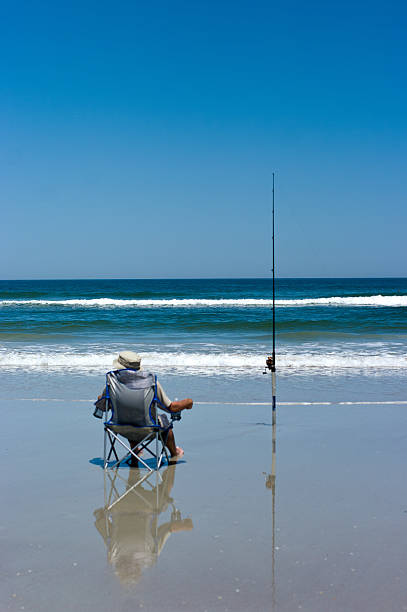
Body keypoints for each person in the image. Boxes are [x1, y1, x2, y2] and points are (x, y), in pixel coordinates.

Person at [98, 350, 193, 465]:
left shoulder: (111, 382)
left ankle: (135, 454)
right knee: (165, 423)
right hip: (148, 430)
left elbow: (102, 404)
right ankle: (174, 453)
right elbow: (171, 408)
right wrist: (188, 402)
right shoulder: (151, 382)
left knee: (129, 415)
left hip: (119, 428)